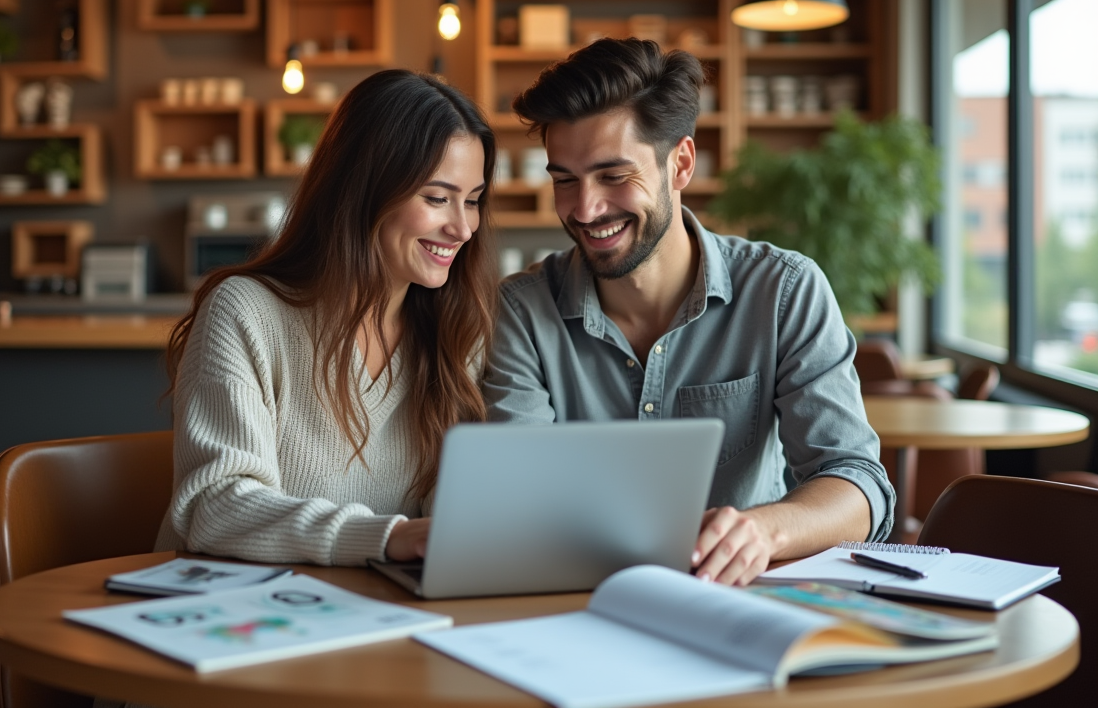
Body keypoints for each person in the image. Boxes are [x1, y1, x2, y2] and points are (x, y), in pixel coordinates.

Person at [484, 39, 894, 586]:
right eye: (565, 181)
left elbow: (856, 483)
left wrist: (762, 532)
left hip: (744, 607)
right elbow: (516, 495)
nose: (584, 209)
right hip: (579, 606)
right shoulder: (521, 311)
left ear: (680, 164)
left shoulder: (784, 292)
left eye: (613, 176)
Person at [159, 69, 497, 567]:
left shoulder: (454, 333)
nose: (463, 227)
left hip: (373, 614)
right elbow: (216, 505)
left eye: (472, 201)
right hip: (235, 616)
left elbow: (448, 513)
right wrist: (385, 538)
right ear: (363, 190)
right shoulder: (246, 312)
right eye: (437, 198)